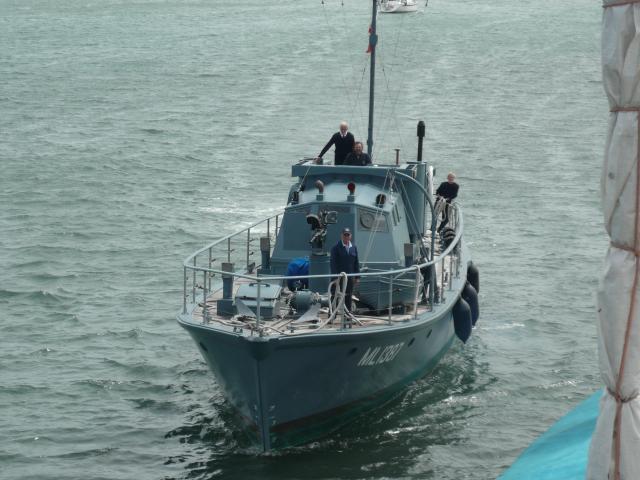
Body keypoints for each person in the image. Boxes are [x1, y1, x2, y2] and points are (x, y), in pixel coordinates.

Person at [330, 227, 360, 312]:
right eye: (345, 235)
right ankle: (331, 317)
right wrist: (335, 277)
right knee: (335, 297)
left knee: (348, 296)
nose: (346, 237)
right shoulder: (335, 248)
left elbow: (356, 262)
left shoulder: (353, 247)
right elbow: (333, 263)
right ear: (341, 236)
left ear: (350, 236)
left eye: (348, 235)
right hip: (338, 277)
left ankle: (348, 317)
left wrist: (357, 276)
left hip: (349, 278)